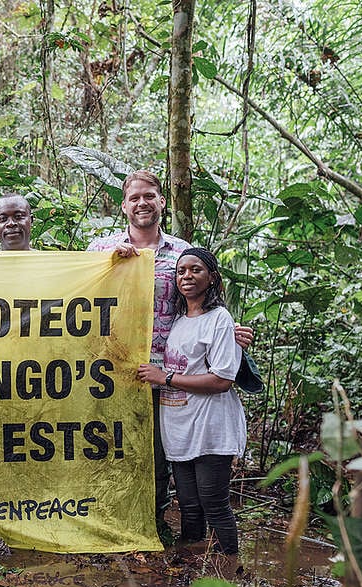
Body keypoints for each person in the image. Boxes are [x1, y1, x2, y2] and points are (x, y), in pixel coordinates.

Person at [87, 170, 253, 543]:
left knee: (161, 455)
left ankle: (154, 523)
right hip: (109, 369)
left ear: (162, 201)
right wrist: (110, 264)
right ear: (124, 205)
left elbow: (202, 305)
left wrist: (230, 331)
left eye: (150, 196)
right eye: (134, 198)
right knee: (108, 447)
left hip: (165, 369)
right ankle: (110, 521)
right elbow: (77, 293)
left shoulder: (181, 253)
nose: (142, 203)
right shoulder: (100, 250)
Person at [137, 247, 246, 559]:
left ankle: (230, 568)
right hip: (180, 427)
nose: (187, 276)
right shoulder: (179, 320)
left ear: (212, 277)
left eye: (196, 270)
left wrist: (165, 378)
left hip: (210, 429)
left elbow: (222, 380)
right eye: (181, 271)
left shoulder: (219, 319)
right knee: (188, 504)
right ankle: (189, 569)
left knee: (214, 504)